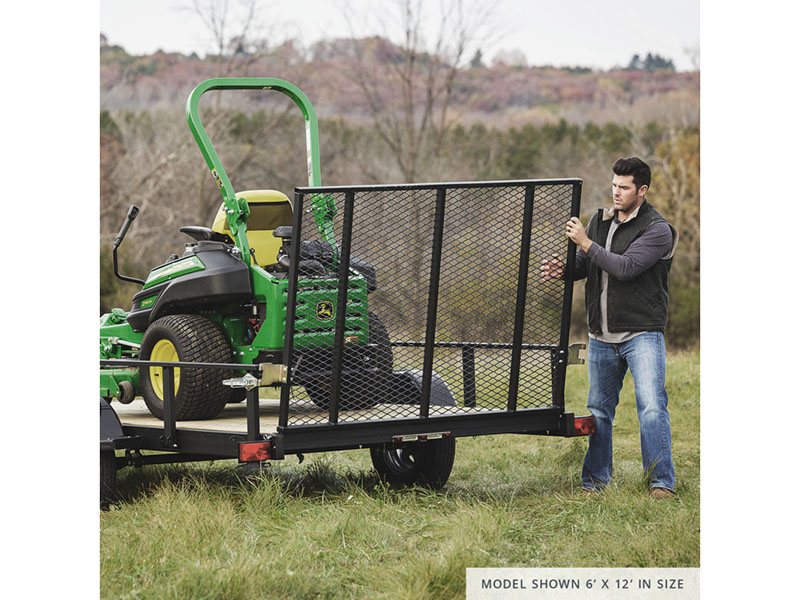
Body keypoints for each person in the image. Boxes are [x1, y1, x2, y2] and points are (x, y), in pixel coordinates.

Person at [542, 157, 678, 499]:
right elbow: (588, 265)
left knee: (650, 406)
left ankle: (661, 482)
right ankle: (595, 481)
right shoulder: (600, 221)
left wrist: (585, 243)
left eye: (624, 187)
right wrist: (565, 269)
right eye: (614, 185)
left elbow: (626, 267)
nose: (616, 192)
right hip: (600, 335)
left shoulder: (657, 229)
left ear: (642, 191)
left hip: (641, 333)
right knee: (599, 410)